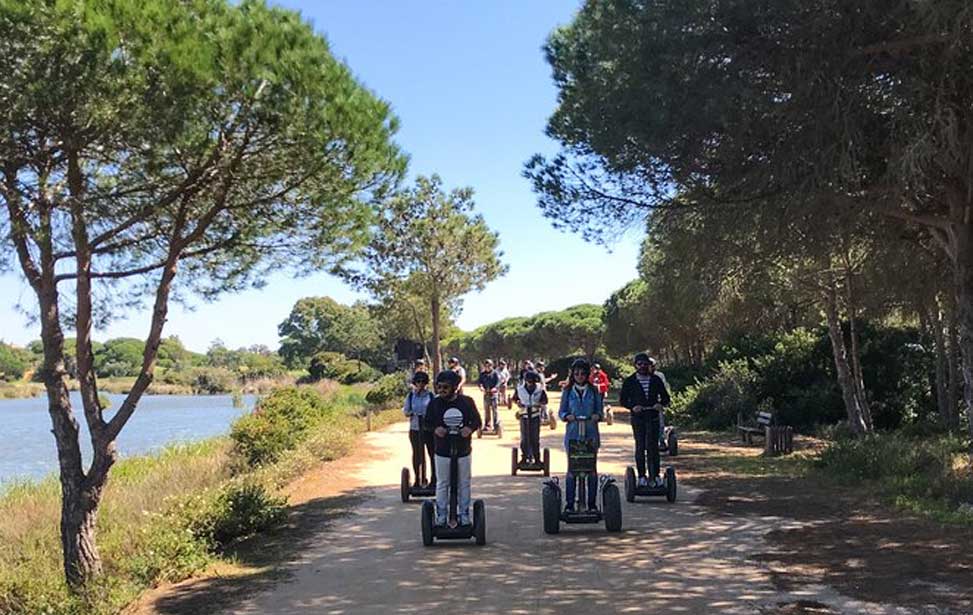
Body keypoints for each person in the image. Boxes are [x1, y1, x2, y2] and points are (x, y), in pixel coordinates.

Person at [424, 370, 483, 527]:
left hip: (463, 450)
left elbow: (477, 420)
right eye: (439, 387)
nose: (441, 390)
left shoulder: (467, 402)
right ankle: (442, 515)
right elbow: (427, 422)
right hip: (442, 450)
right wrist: (436, 428)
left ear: (455, 387)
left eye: (445, 387)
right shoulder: (434, 404)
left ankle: (464, 514)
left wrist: (469, 429)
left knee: (464, 482)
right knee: (443, 483)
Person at [619, 353, 671, 488]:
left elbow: (666, 398)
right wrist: (633, 407)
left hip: (652, 416)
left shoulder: (656, 380)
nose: (642, 366)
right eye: (639, 364)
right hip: (638, 418)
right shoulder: (630, 381)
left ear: (649, 365)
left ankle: (655, 476)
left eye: (645, 364)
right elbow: (623, 400)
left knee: (653, 447)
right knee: (640, 446)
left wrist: (660, 404)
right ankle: (642, 476)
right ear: (635, 365)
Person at [559, 358, 603, 512]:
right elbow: (561, 411)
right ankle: (570, 505)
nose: (579, 376)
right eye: (576, 373)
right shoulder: (567, 390)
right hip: (573, 434)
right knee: (572, 471)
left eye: (583, 373)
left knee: (591, 470)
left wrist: (597, 415)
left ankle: (592, 505)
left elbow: (600, 411)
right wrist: (566, 416)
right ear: (573, 374)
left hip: (591, 434)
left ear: (587, 374)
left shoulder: (594, 390)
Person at [403, 371, 434, 487]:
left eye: (422, 382)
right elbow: (406, 411)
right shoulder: (411, 396)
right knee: (417, 454)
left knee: (432, 454)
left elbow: (435, 409)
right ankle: (418, 479)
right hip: (415, 428)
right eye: (418, 382)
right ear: (415, 383)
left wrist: (428, 415)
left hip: (429, 429)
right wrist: (412, 413)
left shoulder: (430, 396)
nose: (420, 384)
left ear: (426, 383)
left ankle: (434, 480)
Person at [515, 371, 548, 464]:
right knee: (525, 438)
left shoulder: (540, 390)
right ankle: (524, 457)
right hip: (524, 416)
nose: (530, 384)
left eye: (532, 382)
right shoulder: (520, 389)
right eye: (528, 381)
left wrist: (540, 404)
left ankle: (537, 458)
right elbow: (515, 399)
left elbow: (545, 400)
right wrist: (518, 403)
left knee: (535, 438)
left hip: (535, 416)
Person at [477, 359, 501, 430]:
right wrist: (481, 387)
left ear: (492, 366)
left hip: (493, 394)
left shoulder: (495, 373)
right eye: (486, 366)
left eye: (489, 366)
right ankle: (487, 425)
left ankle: (496, 425)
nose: (487, 367)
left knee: (494, 409)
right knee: (486, 410)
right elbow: (479, 382)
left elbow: (498, 382)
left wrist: (495, 388)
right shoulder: (482, 374)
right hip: (486, 394)